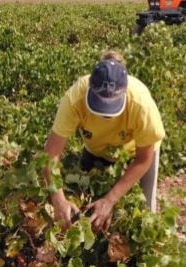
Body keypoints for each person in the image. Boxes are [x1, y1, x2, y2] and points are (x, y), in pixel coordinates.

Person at [42, 51, 165, 232]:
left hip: (134, 154)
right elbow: (51, 154)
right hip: (95, 149)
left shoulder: (141, 104)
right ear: (90, 87)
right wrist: (58, 199)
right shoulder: (75, 98)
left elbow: (144, 159)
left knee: (145, 213)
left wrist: (110, 199)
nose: (106, 115)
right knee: (84, 204)